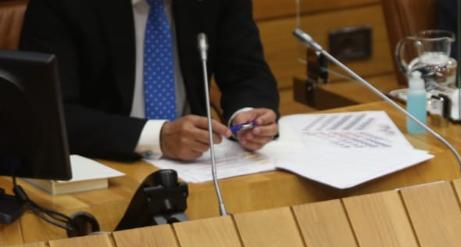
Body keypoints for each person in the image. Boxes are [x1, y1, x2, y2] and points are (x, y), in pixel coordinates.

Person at [19, 0, 280, 162]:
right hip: (103, 164)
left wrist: (246, 114)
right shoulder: (64, 4)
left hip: (197, 164)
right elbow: (53, 115)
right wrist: (159, 137)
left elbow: (247, 71)